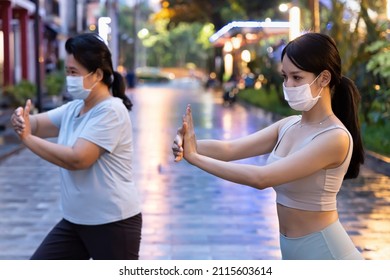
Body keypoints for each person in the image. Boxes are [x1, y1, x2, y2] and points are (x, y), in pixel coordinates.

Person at [172, 32, 365, 260]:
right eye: (285, 77)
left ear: (324, 78)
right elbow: (230, 149)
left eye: (297, 77)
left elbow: (262, 178)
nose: (288, 85)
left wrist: (195, 157)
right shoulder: (288, 125)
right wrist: (187, 142)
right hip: (293, 251)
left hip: (326, 253)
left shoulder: (335, 137)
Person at [11, 33, 142, 260]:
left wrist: (28, 139)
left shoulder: (111, 111)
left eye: (74, 72)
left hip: (112, 222)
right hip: (76, 221)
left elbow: (78, 159)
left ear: (98, 74)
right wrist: (22, 119)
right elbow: (38, 124)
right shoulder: (75, 108)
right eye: (67, 72)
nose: (69, 78)